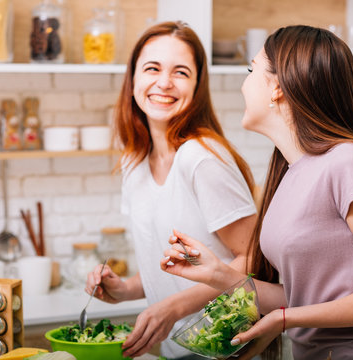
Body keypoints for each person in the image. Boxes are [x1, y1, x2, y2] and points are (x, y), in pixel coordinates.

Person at [161, 25, 353, 360]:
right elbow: (303, 298)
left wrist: (285, 320)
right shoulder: (289, 172)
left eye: (252, 70)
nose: (244, 83)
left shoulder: (350, 163)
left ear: (278, 86)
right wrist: (218, 275)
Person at [84, 21, 258, 359]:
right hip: (179, 350)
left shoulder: (200, 157)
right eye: (152, 68)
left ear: (196, 85)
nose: (164, 82)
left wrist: (174, 308)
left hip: (230, 349)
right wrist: (124, 289)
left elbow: (256, 262)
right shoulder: (135, 160)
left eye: (180, 72)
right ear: (133, 78)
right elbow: (165, 270)